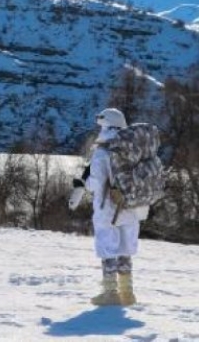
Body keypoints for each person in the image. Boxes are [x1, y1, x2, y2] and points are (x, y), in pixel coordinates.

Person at [69, 108, 145, 306]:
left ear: (106, 126)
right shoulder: (134, 148)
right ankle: (128, 294)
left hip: (108, 207)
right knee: (125, 248)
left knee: (108, 248)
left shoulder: (102, 152)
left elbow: (96, 182)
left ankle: (110, 293)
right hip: (130, 206)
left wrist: (85, 185)